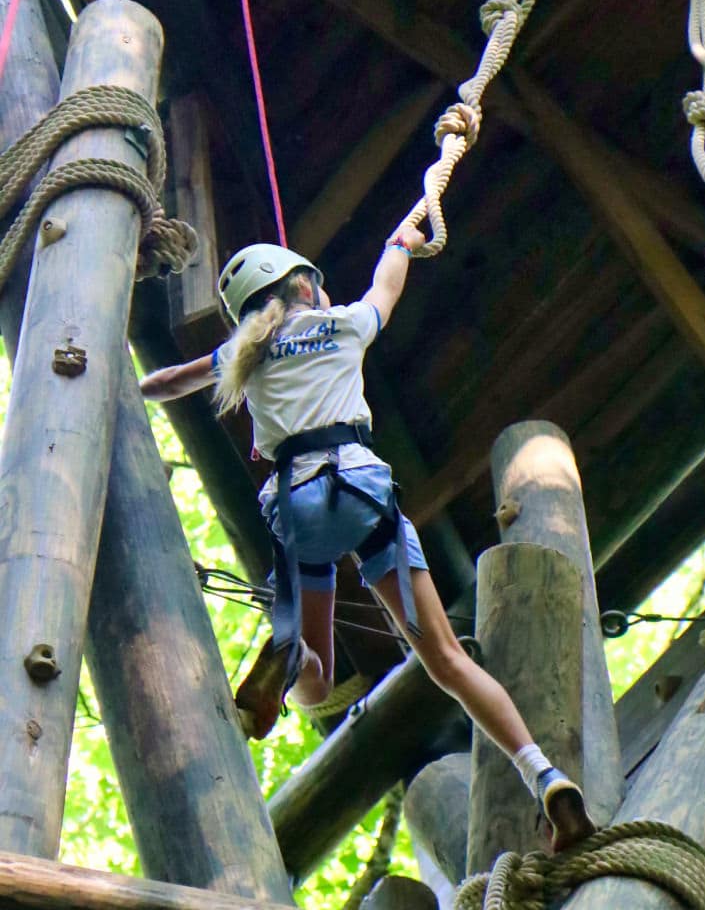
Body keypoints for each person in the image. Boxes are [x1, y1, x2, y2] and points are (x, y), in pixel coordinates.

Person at [139, 233, 596, 852]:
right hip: (362, 495)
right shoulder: (344, 323)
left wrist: (117, 375)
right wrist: (402, 239)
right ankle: (543, 773)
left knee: (319, 686)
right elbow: (389, 280)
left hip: (297, 512)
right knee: (446, 661)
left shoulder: (241, 353)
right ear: (304, 286)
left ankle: (295, 657)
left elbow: (166, 383)